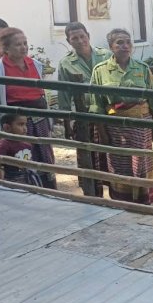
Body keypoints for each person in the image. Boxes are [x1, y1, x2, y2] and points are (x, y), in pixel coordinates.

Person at [90, 28, 153, 205]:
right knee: (119, 164)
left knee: (141, 163)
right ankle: (122, 201)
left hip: (141, 125)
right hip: (115, 127)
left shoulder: (143, 68)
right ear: (111, 46)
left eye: (128, 42)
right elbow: (97, 105)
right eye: (119, 42)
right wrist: (103, 133)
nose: (125, 46)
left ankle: (143, 200)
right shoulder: (100, 71)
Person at [0, 28, 57, 189]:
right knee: (21, 157)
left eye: (25, 43)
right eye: (18, 45)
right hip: (17, 122)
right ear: (6, 48)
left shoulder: (36, 65)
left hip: (40, 119)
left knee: (44, 155)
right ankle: (26, 188)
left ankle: (48, 189)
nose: (23, 47)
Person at [57, 22, 111, 197]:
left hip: (108, 115)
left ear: (88, 35)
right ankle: (92, 196)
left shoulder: (106, 56)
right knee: (88, 157)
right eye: (74, 38)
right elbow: (64, 96)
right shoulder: (66, 63)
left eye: (82, 36)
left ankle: (116, 195)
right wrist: (67, 125)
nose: (80, 41)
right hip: (83, 116)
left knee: (110, 155)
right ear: (68, 41)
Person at [0, 113, 43, 186]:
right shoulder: (5, 143)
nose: (25, 128)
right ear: (7, 127)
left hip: (29, 176)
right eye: (21, 124)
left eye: (25, 124)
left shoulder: (26, 139)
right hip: (14, 180)